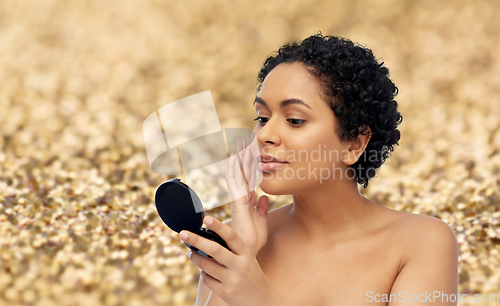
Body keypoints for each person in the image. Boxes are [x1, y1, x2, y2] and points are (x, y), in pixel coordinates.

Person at [179, 32, 459, 305]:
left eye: (295, 120)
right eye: (263, 117)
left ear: (354, 143)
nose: (264, 135)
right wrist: (241, 254)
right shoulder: (240, 244)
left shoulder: (422, 243)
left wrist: (260, 297)